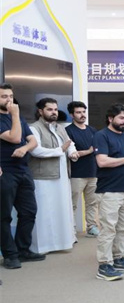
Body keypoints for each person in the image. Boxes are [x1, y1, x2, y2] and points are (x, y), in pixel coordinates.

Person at [93, 104, 124, 281]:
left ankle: (119, 258)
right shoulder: (101, 136)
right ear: (110, 118)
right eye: (121, 118)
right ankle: (104, 265)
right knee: (108, 229)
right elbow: (102, 161)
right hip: (109, 191)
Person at [0, 84, 45, 269]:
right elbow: (15, 137)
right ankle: (10, 255)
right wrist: (15, 115)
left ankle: (22, 250)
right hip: (5, 171)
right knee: (4, 216)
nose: (9, 100)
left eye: (10, 96)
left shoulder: (17, 118)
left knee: (29, 212)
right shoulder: (11, 117)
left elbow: (32, 141)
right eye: (4, 96)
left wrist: (25, 149)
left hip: (23, 170)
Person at [28, 98, 77, 254]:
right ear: (40, 111)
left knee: (61, 209)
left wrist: (72, 152)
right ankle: (43, 247)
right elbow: (36, 150)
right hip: (43, 177)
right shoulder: (33, 128)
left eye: (55, 109)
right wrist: (60, 150)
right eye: (49, 109)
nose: (54, 112)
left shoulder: (59, 127)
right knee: (44, 212)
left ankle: (63, 243)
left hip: (62, 175)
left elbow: (69, 143)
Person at [66, 101, 99, 237]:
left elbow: (98, 149)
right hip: (76, 174)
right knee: (72, 204)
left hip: (93, 172)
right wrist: (89, 151)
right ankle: (71, 230)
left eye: (83, 112)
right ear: (72, 115)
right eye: (78, 112)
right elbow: (72, 153)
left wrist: (89, 151)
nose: (82, 115)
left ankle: (91, 227)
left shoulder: (92, 130)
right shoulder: (68, 131)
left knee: (92, 203)